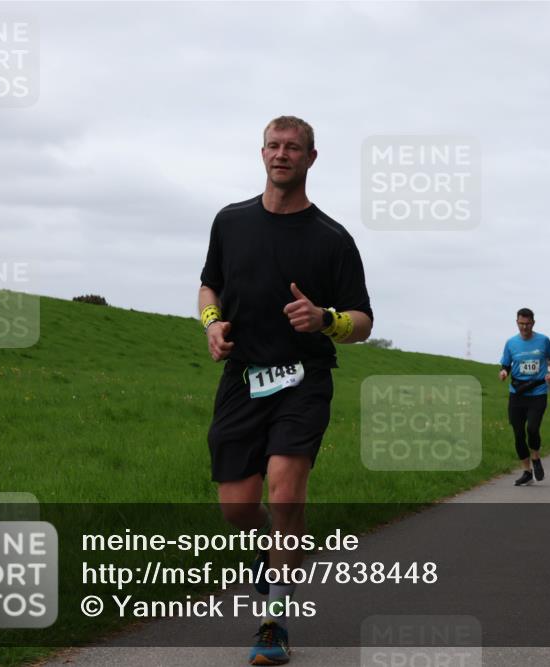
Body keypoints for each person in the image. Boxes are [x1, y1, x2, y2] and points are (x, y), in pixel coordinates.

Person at [199, 116, 374, 665]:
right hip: (242, 377)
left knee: (284, 488)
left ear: (311, 159)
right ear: (262, 153)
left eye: (293, 148)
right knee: (236, 507)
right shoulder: (230, 221)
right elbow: (211, 283)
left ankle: (274, 619)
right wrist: (211, 323)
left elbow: (363, 320)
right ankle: (275, 554)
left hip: (304, 378)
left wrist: (324, 319)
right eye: (274, 146)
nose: (282, 155)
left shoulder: (332, 239)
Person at [499, 308, 550, 486]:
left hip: (537, 392)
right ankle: (526, 471)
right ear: (516, 322)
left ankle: (536, 457)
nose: (524, 327)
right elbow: (505, 364)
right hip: (517, 393)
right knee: (518, 434)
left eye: (527, 324)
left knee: (532, 428)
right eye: (521, 324)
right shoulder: (511, 343)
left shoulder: (543, 340)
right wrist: (503, 372)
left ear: (533, 323)